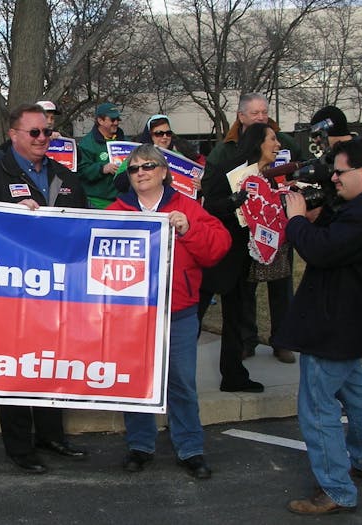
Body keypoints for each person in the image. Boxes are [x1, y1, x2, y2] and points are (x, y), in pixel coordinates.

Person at [275, 138, 362, 515]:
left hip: (333, 326)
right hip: (351, 322)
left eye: (340, 172)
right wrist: (316, 216)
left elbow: (322, 251)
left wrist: (296, 219)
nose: (333, 178)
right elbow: (337, 238)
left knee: (317, 407)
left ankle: (336, 488)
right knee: (356, 394)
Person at [0, 103, 89, 474]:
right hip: (12, 291)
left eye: (46, 132)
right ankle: (19, 447)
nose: (41, 139)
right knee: (16, 367)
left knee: (52, 362)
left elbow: (84, 226)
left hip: (56, 290)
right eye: (33, 132)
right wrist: (12, 218)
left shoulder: (65, 177)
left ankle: (51, 434)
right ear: (13, 134)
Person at [107, 144, 230, 480]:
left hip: (178, 312)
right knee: (134, 383)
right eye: (133, 169)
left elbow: (218, 247)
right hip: (132, 317)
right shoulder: (116, 212)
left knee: (181, 383)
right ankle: (140, 445)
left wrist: (190, 229)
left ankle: (190, 448)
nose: (141, 173)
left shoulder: (186, 208)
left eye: (148, 166)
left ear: (163, 171)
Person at [205, 93, 302, 364]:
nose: (261, 116)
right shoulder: (225, 153)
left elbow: (297, 172)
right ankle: (245, 341)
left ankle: (282, 340)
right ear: (241, 116)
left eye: (264, 112)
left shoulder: (285, 144)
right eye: (255, 112)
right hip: (241, 239)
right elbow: (213, 199)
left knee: (281, 285)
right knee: (243, 291)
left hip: (277, 230)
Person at [308, 105, 362, 404]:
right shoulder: (325, 160)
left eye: (317, 133)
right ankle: (354, 381)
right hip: (339, 236)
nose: (316, 140)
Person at [199, 122, 283, 393]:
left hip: (244, 256)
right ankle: (171, 376)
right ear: (259, 142)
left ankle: (234, 375)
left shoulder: (266, 176)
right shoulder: (232, 172)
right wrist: (235, 201)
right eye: (273, 139)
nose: (278, 145)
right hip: (217, 254)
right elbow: (210, 205)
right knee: (192, 320)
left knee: (236, 317)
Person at [78, 102, 127, 208]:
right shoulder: (87, 143)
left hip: (121, 201)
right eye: (112, 120)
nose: (116, 123)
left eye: (118, 119)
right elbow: (81, 171)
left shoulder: (125, 142)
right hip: (96, 202)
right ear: (100, 120)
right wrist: (102, 169)